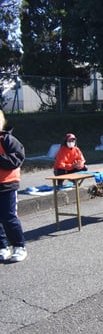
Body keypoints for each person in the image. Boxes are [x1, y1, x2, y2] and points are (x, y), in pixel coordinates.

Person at [0, 110, 27, 263]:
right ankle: (2, 247)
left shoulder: (7, 139)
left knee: (9, 218)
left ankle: (19, 246)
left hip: (7, 185)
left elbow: (17, 159)